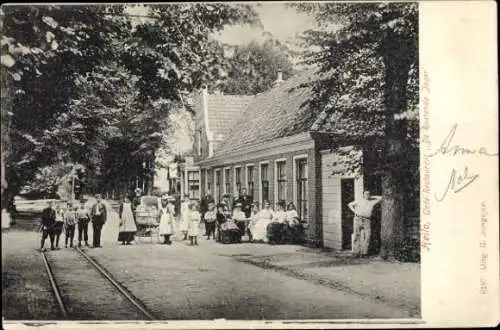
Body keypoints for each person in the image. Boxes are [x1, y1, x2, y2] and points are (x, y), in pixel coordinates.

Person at [348, 190, 382, 258]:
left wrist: (372, 197)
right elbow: (350, 204)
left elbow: (381, 198)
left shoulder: (372, 202)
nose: (367, 195)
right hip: (358, 219)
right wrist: (355, 211)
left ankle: (364, 253)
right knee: (356, 235)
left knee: (368, 236)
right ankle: (356, 252)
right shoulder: (359, 201)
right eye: (365, 194)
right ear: (363, 195)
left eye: (368, 194)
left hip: (367, 220)